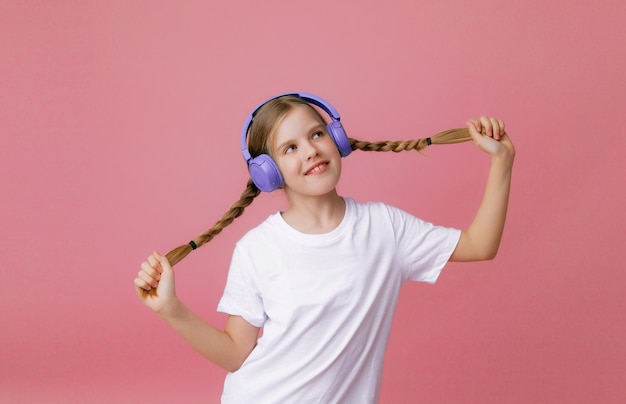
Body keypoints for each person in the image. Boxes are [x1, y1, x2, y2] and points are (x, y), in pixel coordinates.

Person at [134, 92, 515, 403]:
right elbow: (236, 353)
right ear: (267, 173)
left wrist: (502, 162)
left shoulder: (385, 228)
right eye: (290, 148)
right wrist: (171, 309)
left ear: (337, 139)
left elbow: (479, 244)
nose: (311, 151)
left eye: (317, 134)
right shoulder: (258, 249)